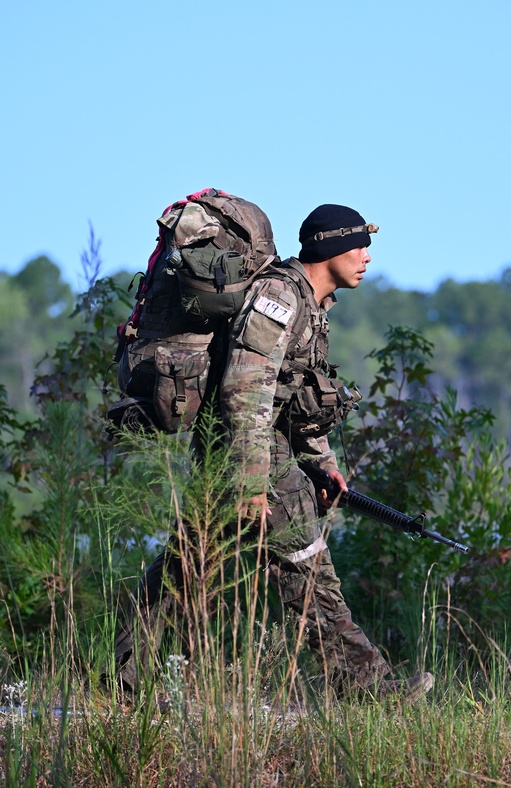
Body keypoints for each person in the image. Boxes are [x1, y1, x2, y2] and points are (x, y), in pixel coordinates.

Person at [106, 200, 432, 703]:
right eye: (359, 244)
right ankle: (368, 686)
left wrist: (324, 466)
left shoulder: (313, 304)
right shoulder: (279, 296)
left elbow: (300, 397)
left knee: (190, 562)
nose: (367, 256)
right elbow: (245, 389)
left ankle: (120, 677)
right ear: (331, 247)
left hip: (246, 447)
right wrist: (252, 481)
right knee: (305, 559)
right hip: (246, 449)